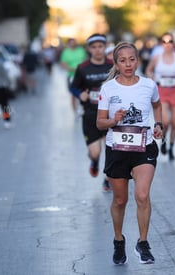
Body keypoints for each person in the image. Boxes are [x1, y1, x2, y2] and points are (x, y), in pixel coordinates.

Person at [96, 42, 162, 265]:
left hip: (144, 146)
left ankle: (143, 244)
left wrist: (159, 124)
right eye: (122, 60)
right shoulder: (108, 89)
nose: (128, 64)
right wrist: (114, 120)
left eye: (131, 59)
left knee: (142, 196)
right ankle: (118, 240)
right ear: (115, 63)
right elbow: (99, 123)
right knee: (120, 200)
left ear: (137, 60)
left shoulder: (148, 85)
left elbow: (158, 105)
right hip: (117, 148)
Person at [70, 34, 113, 191]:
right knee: (95, 152)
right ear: (89, 49)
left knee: (111, 149)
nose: (97, 50)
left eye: (100, 47)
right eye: (94, 47)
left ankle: (107, 179)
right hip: (90, 115)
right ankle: (94, 161)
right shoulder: (82, 68)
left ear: (104, 47)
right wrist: (79, 94)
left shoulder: (112, 65)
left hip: (109, 115)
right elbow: (73, 87)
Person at [145, 32, 175, 160]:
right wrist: (151, 76)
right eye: (164, 42)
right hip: (162, 91)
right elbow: (148, 70)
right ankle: (164, 140)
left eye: (170, 41)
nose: (167, 44)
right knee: (165, 121)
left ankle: (171, 147)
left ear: (173, 43)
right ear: (161, 44)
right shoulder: (157, 58)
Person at [60, 38, 87, 117]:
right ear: (68, 44)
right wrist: (73, 69)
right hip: (72, 75)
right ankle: (75, 112)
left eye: (74, 42)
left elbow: (85, 60)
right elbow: (63, 64)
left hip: (82, 75)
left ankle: (82, 109)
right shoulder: (65, 52)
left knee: (84, 92)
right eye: (71, 43)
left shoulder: (81, 50)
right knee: (73, 95)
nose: (73, 44)